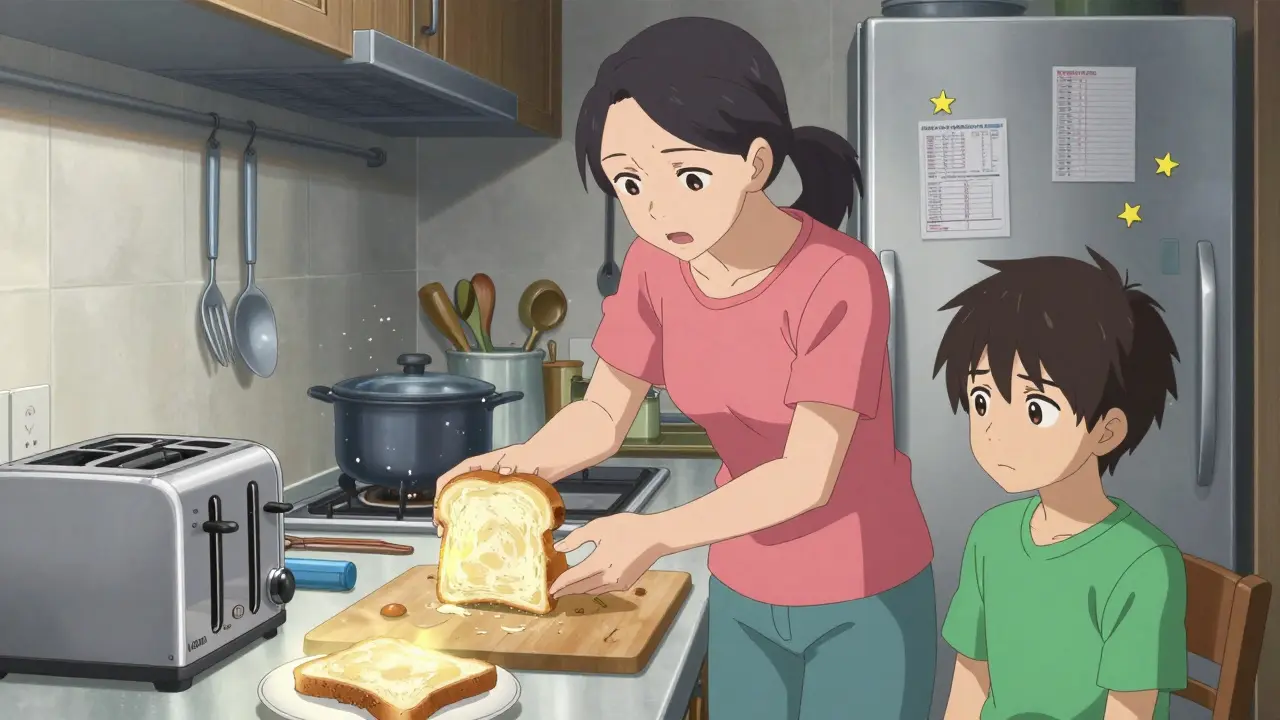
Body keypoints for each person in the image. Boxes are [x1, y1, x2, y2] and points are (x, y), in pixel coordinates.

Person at [435, 16, 937, 720]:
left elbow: (808, 474)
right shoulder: (654, 268)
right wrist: (519, 463)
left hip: (862, 591)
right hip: (742, 582)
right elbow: (605, 413)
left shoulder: (838, 275)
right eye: (629, 184)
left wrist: (655, 533)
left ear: (756, 163)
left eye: (688, 175)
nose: (655, 208)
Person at [932, 249, 1188, 720]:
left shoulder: (1142, 562)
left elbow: (1130, 711)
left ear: (1106, 430)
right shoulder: (991, 536)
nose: (995, 431)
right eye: (983, 399)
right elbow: (970, 680)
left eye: (1035, 410)